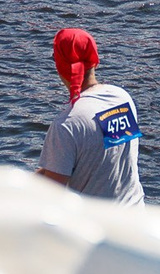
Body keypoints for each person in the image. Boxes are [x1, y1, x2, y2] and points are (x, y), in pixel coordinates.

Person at [38, 29, 144, 204]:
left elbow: (50, 198)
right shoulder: (122, 99)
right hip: (134, 222)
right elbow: (95, 153)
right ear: (95, 59)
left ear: (59, 65)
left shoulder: (66, 125)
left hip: (96, 227)